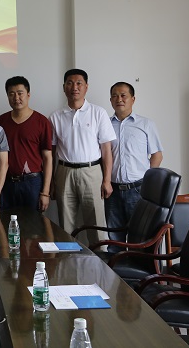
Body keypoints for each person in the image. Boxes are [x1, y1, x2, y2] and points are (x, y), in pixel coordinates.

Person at [49, 69, 116, 247]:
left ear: (86, 87)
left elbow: (106, 150)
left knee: (96, 223)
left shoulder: (98, 113)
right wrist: (52, 182)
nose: (74, 87)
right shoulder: (55, 117)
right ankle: (69, 259)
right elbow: (52, 152)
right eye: (70, 83)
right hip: (64, 172)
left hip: (92, 172)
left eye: (79, 83)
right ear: (64, 87)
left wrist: (107, 180)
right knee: (66, 224)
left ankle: (101, 259)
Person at [107, 81, 163, 251]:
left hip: (138, 190)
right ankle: (116, 268)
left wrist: (147, 183)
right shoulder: (105, 125)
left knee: (140, 237)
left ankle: (140, 269)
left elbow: (157, 155)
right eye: (115, 96)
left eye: (123, 95)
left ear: (133, 99)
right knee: (114, 239)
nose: (119, 99)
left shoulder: (146, 124)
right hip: (113, 191)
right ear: (110, 100)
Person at [0, 76, 53, 211]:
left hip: (32, 183)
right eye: (11, 94)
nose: (16, 98)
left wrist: (45, 192)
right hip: (7, 183)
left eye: (20, 93)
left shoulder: (41, 122)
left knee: (33, 222)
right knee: (5, 221)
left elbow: (47, 158)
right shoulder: (1, 121)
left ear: (28, 94)